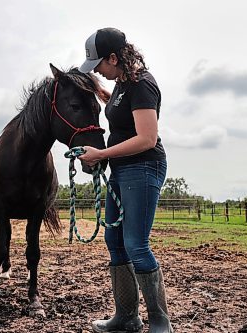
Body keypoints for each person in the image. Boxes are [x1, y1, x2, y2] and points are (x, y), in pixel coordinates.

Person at [77, 28, 172, 333]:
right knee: (114, 240)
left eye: (99, 66)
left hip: (143, 167)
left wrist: (101, 154)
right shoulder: (122, 83)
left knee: (136, 244)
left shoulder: (142, 84)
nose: (99, 73)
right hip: (122, 171)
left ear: (114, 58)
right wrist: (97, 92)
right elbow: (117, 107)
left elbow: (147, 138)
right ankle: (127, 317)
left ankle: (160, 322)